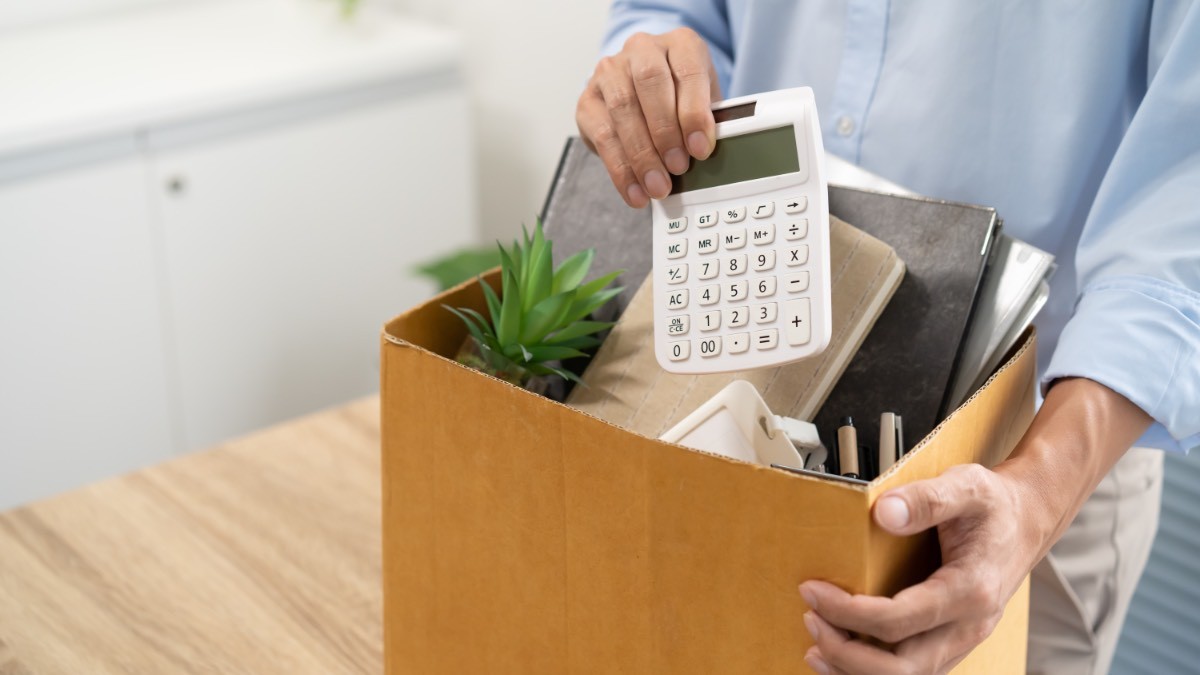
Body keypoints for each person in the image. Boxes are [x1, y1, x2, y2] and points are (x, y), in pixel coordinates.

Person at [575, 2, 1200, 673]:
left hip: (1041, 449)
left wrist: (1036, 497)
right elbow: (674, 14)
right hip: (739, 382)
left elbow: (1180, 221)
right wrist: (652, 85)